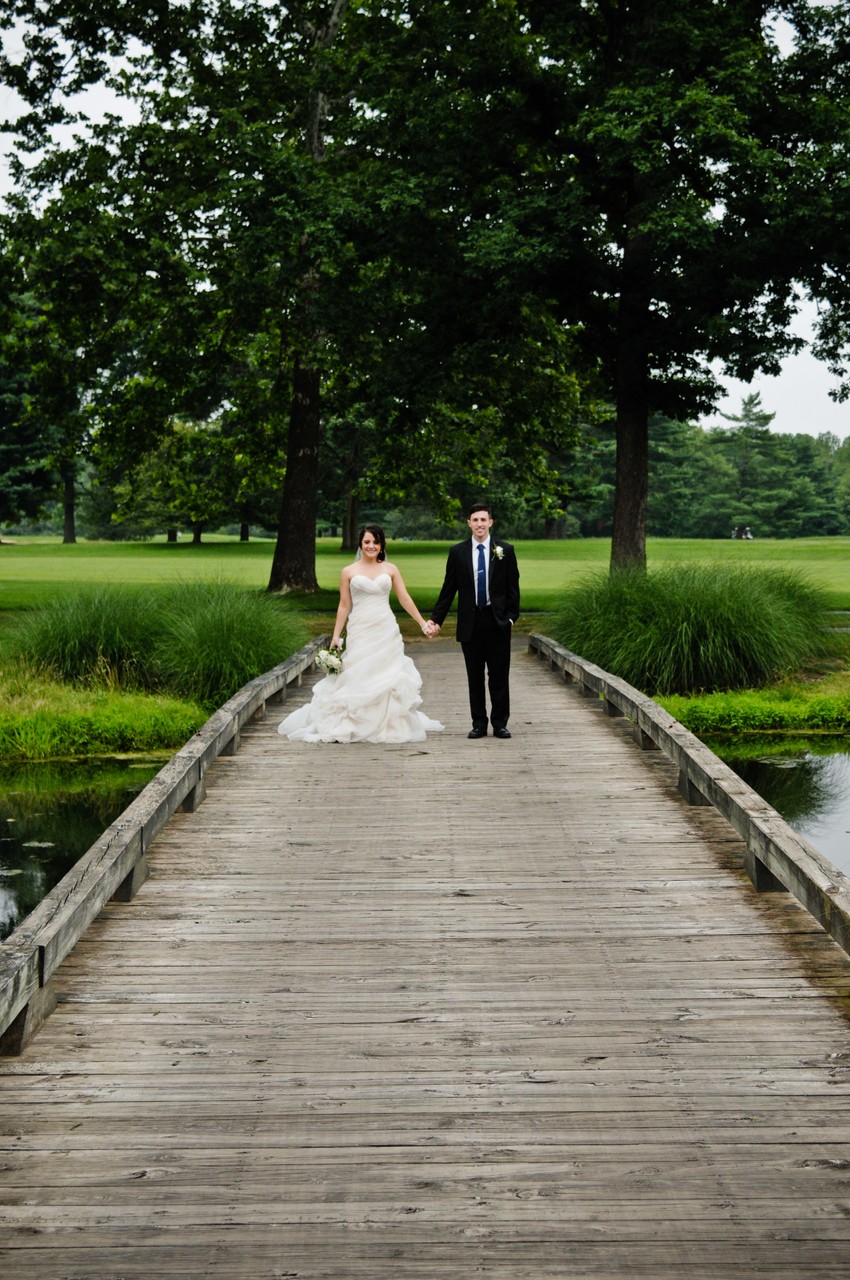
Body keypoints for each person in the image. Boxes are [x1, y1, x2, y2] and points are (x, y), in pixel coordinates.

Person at [278, 525, 443, 744]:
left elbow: (404, 599)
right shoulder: (348, 572)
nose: (371, 546)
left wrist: (423, 623)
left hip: (385, 628)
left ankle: (388, 722)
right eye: (367, 542)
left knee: (387, 674)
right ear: (360, 544)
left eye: (375, 542)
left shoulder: (391, 569)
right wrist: (336, 636)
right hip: (360, 628)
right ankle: (355, 721)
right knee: (359, 672)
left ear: (381, 544)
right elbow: (344, 606)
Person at [426, 502, 520, 739]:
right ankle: (479, 723)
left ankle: (500, 723)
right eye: (475, 520)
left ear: (491, 522)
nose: (479, 524)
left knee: (499, 675)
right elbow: (448, 590)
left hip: (497, 621)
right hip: (471, 622)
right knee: (475, 675)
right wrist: (436, 619)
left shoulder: (505, 551)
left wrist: (510, 619)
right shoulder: (457, 552)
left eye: (483, 519)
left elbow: (513, 590)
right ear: (469, 523)